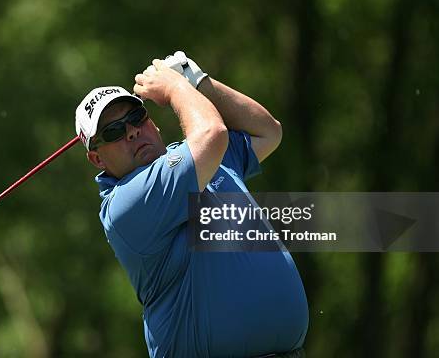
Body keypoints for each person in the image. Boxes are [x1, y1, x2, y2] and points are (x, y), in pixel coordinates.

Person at [75, 51, 308, 357]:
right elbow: (212, 134)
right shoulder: (126, 202)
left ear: (152, 123)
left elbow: (268, 132)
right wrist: (174, 89)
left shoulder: (197, 158)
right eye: (114, 131)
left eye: (136, 117)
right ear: (97, 159)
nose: (132, 131)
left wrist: (199, 83)